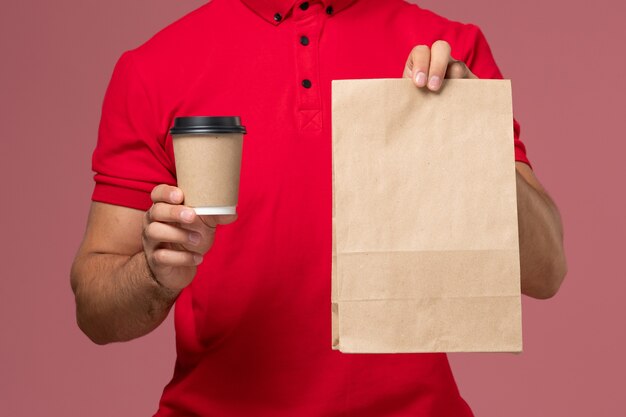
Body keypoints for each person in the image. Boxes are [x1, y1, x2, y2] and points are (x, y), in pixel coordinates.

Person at [71, 0, 567, 415]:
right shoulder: (154, 66)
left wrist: (472, 132)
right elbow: (96, 310)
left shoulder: (446, 48)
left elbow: (546, 272)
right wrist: (154, 274)